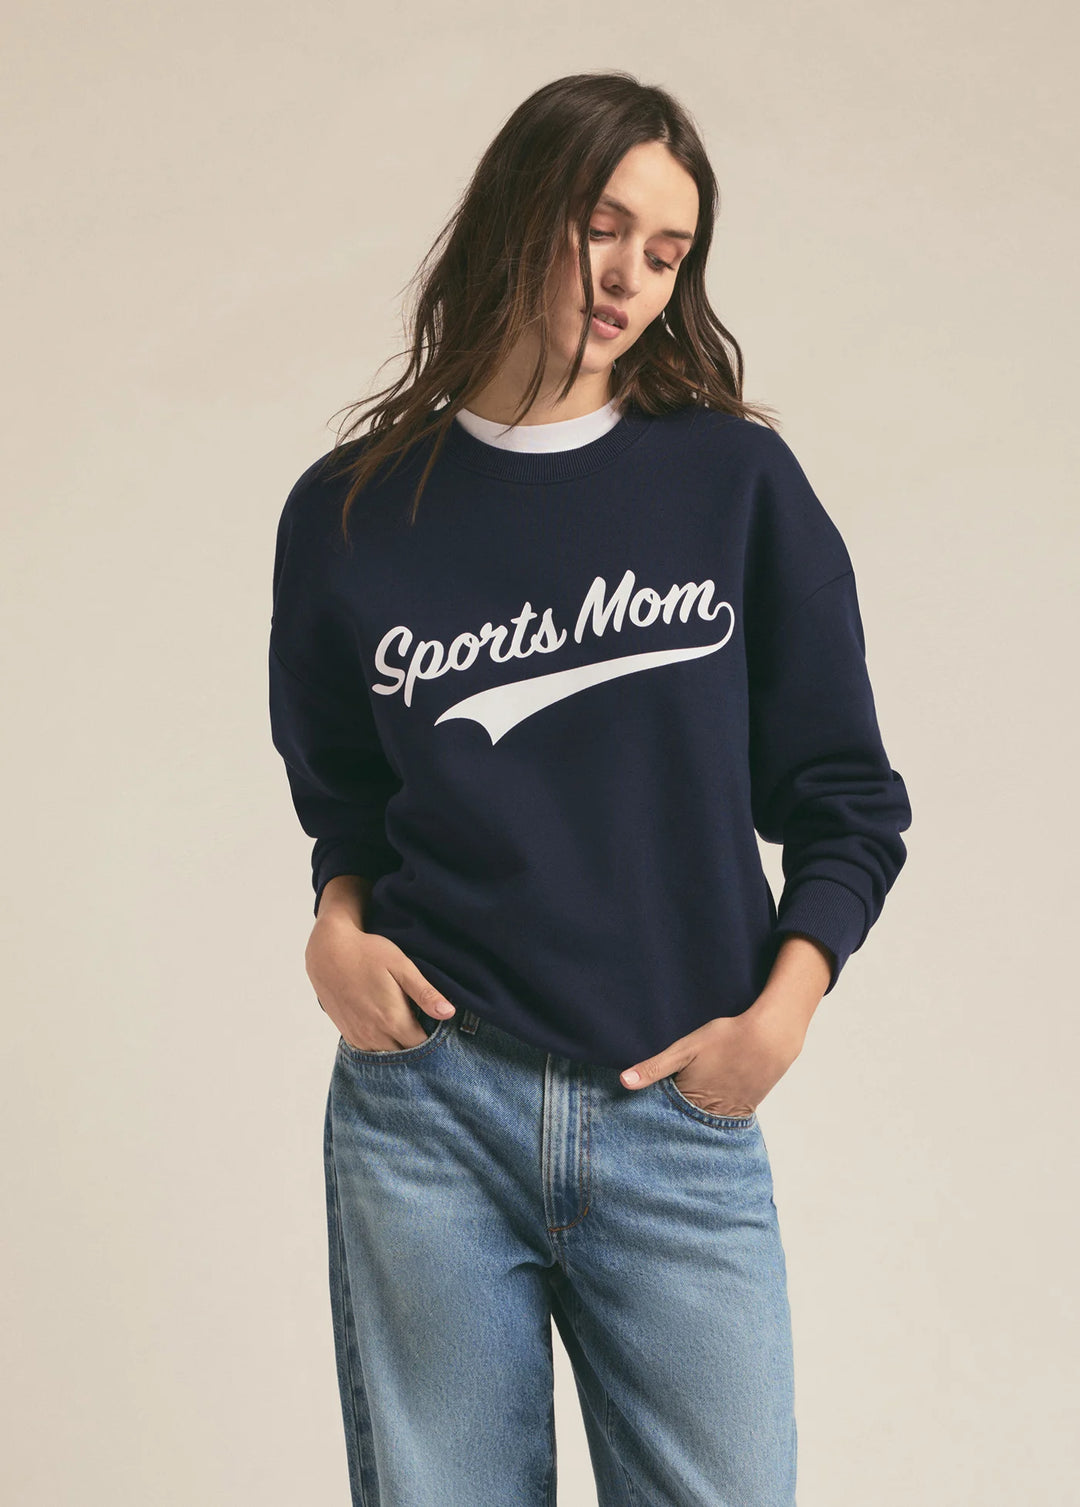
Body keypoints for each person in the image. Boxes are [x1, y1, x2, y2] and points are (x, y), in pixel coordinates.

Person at [268, 71, 912, 1507]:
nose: (629, 278)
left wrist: (779, 1018)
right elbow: (345, 800)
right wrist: (334, 929)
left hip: (676, 1118)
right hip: (429, 1111)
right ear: (520, 212)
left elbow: (847, 796)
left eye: (667, 253)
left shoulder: (733, 483)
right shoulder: (352, 511)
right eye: (602, 227)